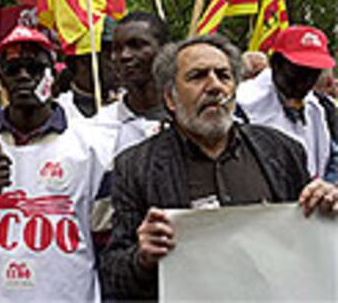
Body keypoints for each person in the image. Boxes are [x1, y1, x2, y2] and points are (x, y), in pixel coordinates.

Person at [99, 34, 338, 301]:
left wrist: (325, 209)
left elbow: (307, 243)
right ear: (170, 98)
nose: (214, 86)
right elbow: (112, 273)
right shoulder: (136, 167)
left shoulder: (282, 151)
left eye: (224, 76)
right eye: (198, 76)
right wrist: (141, 258)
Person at [0, 25, 117, 302]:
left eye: (34, 68)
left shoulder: (94, 146)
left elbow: (108, 245)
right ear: (1, 80)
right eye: (13, 69)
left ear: (53, 74)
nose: (23, 77)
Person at [91, 11, 170, 250]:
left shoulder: (193, 122)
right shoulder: (94, 130)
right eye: (116, 49)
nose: (124, 56)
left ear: (165, 50)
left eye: (137, 46)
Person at [237, 26, 337, 182]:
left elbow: (334, 156)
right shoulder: (242, 106)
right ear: (276, 63)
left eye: (314, 72)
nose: (306, 81)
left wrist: (328, 186)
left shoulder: (322, 107)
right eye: (299, 71)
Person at [57, 16, 119, 119]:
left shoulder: (131, 107)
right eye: (109, 56)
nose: (119, 62)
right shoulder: (60, 114)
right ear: (83, 61)